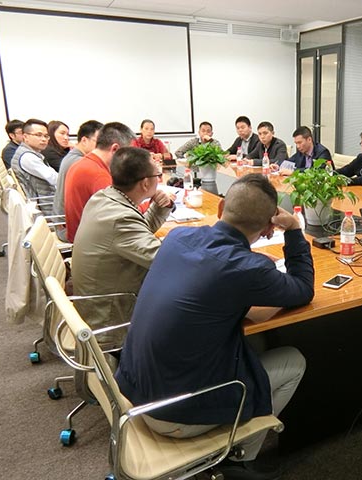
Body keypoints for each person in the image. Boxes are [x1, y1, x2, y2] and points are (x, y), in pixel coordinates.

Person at [115, 174, 313, 480]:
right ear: (268, 228)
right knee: (293, 361)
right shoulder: (247, 268)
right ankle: (238, 461)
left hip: (133, 388)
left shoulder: (177, 238)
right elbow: (302, 289)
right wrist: (295, 230)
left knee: (251, 341)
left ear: (221, 208)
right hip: (173, 413)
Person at [72, 147, 174, 337]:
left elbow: (137, 232)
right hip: (110, 319)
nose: (159, 179)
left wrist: (161, 207)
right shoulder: (120, 218)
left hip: (98, 301)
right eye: (158, 175)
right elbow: (166, 262)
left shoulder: (104, 197)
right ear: (145, 183)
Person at [64, 122, 135, 242]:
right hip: (93, 243)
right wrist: (150, 202)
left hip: (82, 237)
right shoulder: (98, 174)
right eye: (127, 154)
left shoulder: (83, 163)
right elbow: (123, 214)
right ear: (115, 149)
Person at [53, 120, 103, 241]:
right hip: (68, 229)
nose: (102, 148)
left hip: (66, 223)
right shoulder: (80, 162)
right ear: (84, 140)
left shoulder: (73, 156)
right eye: (99, 142)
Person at [10, 118, 58, 214]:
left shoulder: (30, 153)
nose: (44, 139)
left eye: (46, 136)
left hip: (45, 201)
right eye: (38, 135)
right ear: (25, 137)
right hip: (46, 206)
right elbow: (54, 178)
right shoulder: (28, 157)